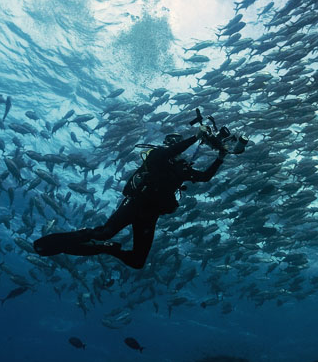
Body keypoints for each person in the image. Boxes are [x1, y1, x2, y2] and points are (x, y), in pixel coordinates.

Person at [32, 110, 230, 269]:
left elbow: (205, 177)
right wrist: (195, 138)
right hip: (135, 203)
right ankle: (75, 241)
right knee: (104, 232)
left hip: (150, 215)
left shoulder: (181, 170)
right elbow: (171, 152)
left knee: (137, 262)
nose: (180, 151)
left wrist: (220, 157)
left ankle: (106, 249)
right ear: (171, 145)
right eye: (177, 145)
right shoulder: (156, 155)